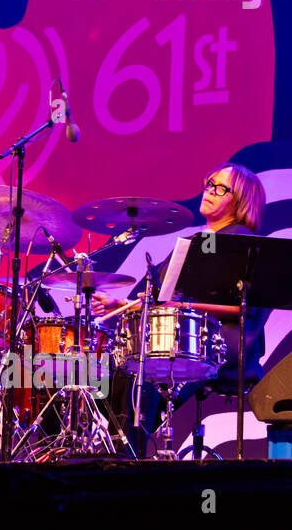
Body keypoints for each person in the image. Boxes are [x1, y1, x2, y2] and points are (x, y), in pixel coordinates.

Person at [92, 162, 268, 451]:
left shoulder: (241, 242)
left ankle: (126, 459)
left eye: (220, 188)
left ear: (240, 199)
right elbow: (159, 300)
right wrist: (120, 304)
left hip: (219, 345)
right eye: (209, 184)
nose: (209, 191)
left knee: (140, 372)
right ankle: (112, 451)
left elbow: (243, 308)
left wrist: (185, 304)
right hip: (181, 340)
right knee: (107, 368)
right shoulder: (194, 243)